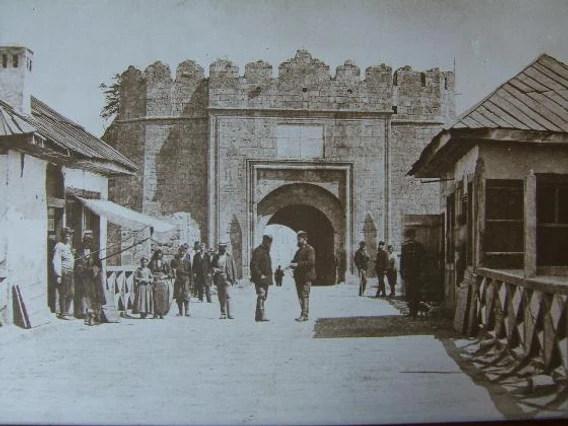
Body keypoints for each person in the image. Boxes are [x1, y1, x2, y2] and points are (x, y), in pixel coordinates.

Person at [75, 230, 106, 325]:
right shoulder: (79, 251)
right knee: (86, 296)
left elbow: (99, 265)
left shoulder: (95, 251)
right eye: (86, 241)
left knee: (95, 296)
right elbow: (77, 264)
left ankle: (96, 315)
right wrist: (81, 268)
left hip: (94, 278)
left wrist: (95, 269)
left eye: (89, 241)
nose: (87, 243)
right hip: (84, 278)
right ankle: (87, 315)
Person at [289, 231, 316, 322]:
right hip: (299, 277)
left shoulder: (310, 250)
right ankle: (303, 313)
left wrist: (297, 265)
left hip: (306, 276)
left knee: (304, 295)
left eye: (299, 239)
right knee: (300, 296)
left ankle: (305, 315)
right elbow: (294, 260)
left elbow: (311, 262)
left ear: (304, 239)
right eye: (298, 239)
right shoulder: (299, 251)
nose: (298, 241)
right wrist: (291, 264)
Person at [400, 229, 425, 319]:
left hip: (417, 273)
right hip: (408, 273)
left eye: (412, 236)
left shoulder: (419, 247)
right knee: (409, 293)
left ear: (414, 236)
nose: (411, 238)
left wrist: (422, 273)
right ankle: (411, 312)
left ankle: (415, 312)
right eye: (409, 236)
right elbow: (402, 261)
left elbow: (423, 261)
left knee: (416, 293)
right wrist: (402, 272)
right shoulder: (405, 247)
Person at [210, 242, 237, 319]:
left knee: (228, 295)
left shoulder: (229, 257)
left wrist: (235, 278)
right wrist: (215, 269)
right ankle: (223, 313)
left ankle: (230, 313)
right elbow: (211, 267)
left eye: (224, 247)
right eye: (220, 247)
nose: (222, 249)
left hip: (227, 277)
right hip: (219, 278)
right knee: (221, 296)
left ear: (226, 247)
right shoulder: (216, 257)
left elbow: (233, 267)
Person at [52, 227, 75, 320]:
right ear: (63, 236)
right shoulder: (59, 246)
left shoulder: (68, 246)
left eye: (69, 236)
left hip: (70, 272)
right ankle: (63, 313)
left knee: (70, 293)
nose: (68, 238)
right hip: (64, 273)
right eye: (66, 236)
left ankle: (68, 312)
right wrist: (58, 275)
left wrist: (72, 253)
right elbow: (56, 261)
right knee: (64, 293)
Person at [250, 234, 273, 322]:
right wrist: (260, 275)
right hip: (259, 278)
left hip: (265, 278)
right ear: (265, 241)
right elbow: (253, 265)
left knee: (264, 296)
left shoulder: (266, 251)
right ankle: (262, 315)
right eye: (269, 242)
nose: (270, 244)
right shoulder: (258, 251)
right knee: (261, 295)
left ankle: (258, 316)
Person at [149, 249, 172, 319]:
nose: (159, 255)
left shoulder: (165, 262)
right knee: (154, 297)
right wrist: (151, 276)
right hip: (154, 280)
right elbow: (148, 270)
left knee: (163, 297)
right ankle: (155, 313)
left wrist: (165, 276)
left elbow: (170, 272)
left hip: (162, 280)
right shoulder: (152, 262)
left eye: (160, 254)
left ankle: (162, 313)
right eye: (157, 254)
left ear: (162, 255)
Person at [171, 245, 192, 317]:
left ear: (185, 252)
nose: (182, 253)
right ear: (178, 252)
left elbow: (191, 272)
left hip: (186, 279)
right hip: (178, 279)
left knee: (186, 295)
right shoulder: (174, 260)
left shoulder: (188, 261)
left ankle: (187, 311)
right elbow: (171, 270)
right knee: (178, 295)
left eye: (183, 251)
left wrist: (191, 283)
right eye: (180, 251)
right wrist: (173, 274)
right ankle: (180, 312)